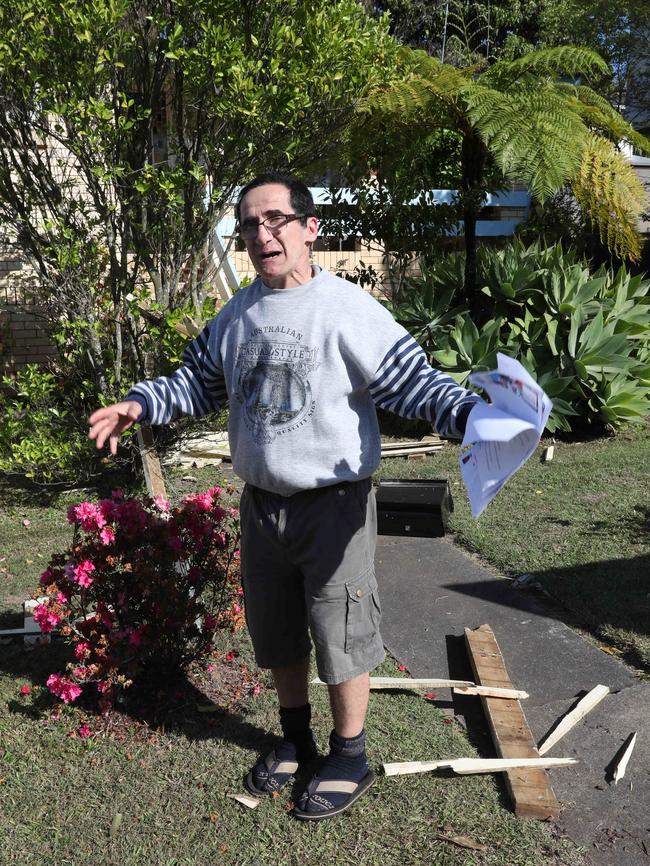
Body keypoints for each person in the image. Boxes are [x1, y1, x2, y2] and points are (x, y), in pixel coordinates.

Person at [89, 172, 483, 821]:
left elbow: (417, 384)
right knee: (277, 632)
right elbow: (198, 381)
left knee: (342, 631)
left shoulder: (347, 309)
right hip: (262, 504)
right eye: (250, 224)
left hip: (334, 505)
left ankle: (349, 754)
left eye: (275, 219)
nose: (262, 234)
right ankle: (295, 737)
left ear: (309, 229)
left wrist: (473, 419)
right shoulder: (239, 312)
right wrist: (141, 403)